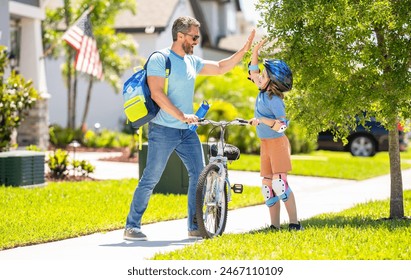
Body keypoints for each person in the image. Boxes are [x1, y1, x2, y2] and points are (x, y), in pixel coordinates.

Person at [124, 16, 256, 241]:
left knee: (200, 174)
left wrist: (244, 50)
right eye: (194, 37)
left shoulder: (191, 61)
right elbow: (157, 93)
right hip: (163, 129)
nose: (196, 41)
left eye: (197, 37)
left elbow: (221, 67)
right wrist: (182, 115)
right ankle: (132, 226)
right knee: (151, 178)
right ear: (180, 35)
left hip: (187, 131)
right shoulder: (160, 58)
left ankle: (195, 225)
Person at [248, 39, 303, 231]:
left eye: (263, 76)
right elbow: (252, 70)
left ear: (272, 82)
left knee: (279, 184)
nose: (259, 77)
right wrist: (255, 49)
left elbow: (282, 126)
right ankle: (274, 226)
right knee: (267, 186)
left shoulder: (274, 100)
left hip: (277, 143)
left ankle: (295, 224)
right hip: (265, 144)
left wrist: (262, 120)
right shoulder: (262, 91)